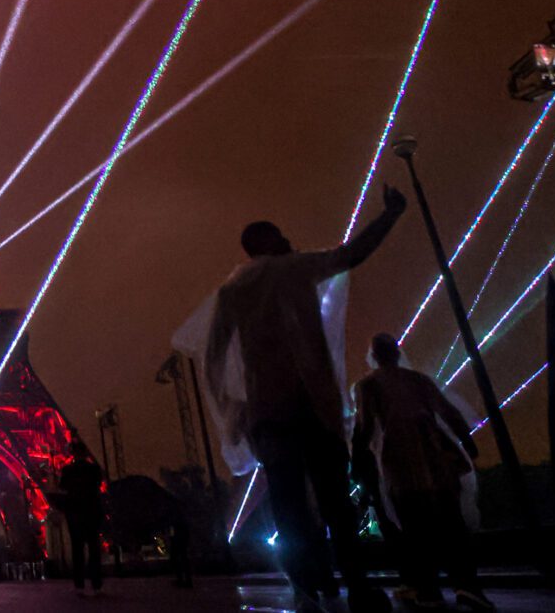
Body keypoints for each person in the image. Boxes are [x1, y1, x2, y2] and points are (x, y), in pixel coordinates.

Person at [204, 186, 407, 613]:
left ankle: (309, 587)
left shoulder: (232, 289)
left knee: (288, 503)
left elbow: (215, 357)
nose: (287, 239)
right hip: (312, 404)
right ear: (265, 243)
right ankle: (357, 586)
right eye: (278, 235)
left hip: (268, 411)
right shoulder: (295, 268)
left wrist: (233, 410)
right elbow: (353, 253)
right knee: (335, 500)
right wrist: (390, 214)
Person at [351, 333, 489, 612]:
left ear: (374, 356)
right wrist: (467, 443)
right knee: (453, 523)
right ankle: (467, 587)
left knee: (414, 526)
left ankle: (428, 590)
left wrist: (356, 462)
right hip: (434, 453)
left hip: (398, 458)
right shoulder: (419, 380)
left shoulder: (367, 385)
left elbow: (364, 427)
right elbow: (448, 412)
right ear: (397, 352)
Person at [58, 440, 106, 594]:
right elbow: (99, 485)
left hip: (75, 514)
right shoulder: (94, 469)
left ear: (73, 453)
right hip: (92, 512)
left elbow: (62, 488)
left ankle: (79, 586)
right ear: (85, 453)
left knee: (77, 550)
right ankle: (96, 585)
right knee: (94, 549)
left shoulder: (68, 470)